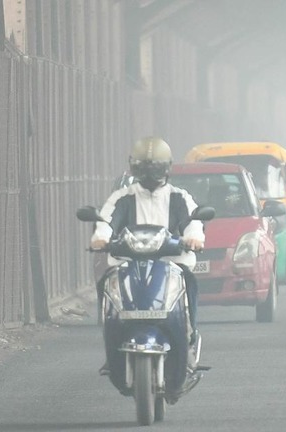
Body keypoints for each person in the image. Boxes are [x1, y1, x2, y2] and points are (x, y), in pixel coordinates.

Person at [91, 137, 205, 374]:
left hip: (172, 263)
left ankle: (189, 337)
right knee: (105, 284)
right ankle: (111, 341)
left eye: (155, 167)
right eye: (144, 168)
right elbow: (106, 221)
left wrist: (194, 238)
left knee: (189, 282)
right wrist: (100, 237)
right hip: (127, 263)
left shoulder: (179, 197)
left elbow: (193, 222)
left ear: (166, 167)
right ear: (134, 168)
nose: (150, 173)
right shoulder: (122, 197)